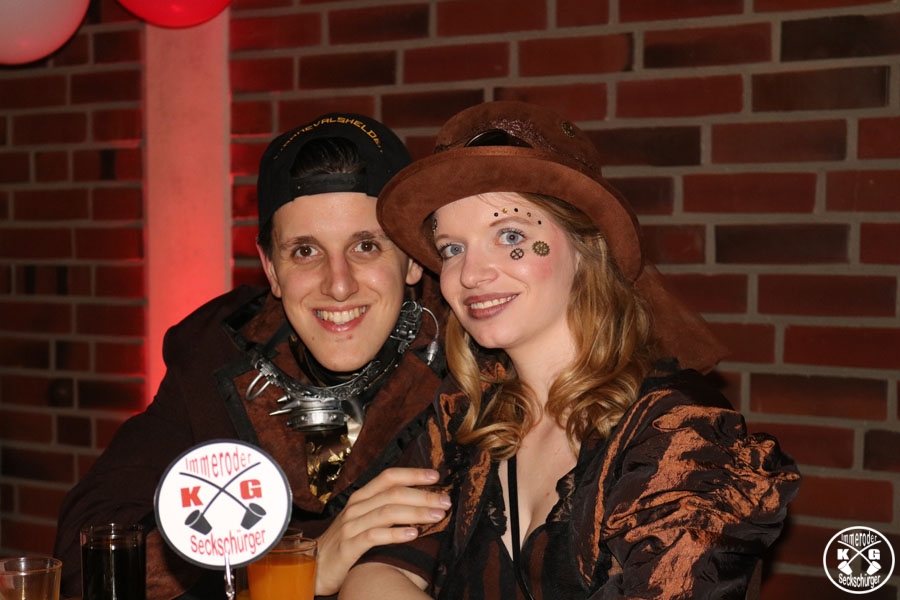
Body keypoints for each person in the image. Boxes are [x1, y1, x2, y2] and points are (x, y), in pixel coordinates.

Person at [339, 101, 801, 599]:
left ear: (586, 248)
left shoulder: (678, 433)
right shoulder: (466, 415)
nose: (470, 274)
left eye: (509, 235)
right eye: (453, 248)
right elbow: (374, 573)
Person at [54, 113, 453, 600]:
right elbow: (90, 554)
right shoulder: (216, 354)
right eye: (305, 251)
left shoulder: (468, 363)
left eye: (366, 246)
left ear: (411, 257)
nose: (339, 284)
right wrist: (291, 565)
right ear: (271, 269)